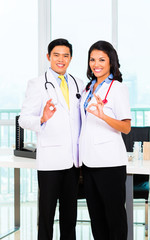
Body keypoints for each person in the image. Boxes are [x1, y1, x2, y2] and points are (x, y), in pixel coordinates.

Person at [19, 38, 84, 240]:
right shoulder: (37, 84)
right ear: (48, 57)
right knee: (46, 216)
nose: (61, 59)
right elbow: (24, 120)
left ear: (71, 58)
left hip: (73, 162)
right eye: (56, 55)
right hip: (50, 162)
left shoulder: (78, 83)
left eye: (65, 55)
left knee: (69, 216)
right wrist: (42, 118)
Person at [79, 40, 131, 240]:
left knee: (114, 217)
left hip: (110, 163)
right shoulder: (88, 88)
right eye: (92, 59)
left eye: (101, 59)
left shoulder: (117, 88)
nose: (96, 63)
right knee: (97, 217)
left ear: (111, 62)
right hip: (89, 161)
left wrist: (103, 116)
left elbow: (126, 127)